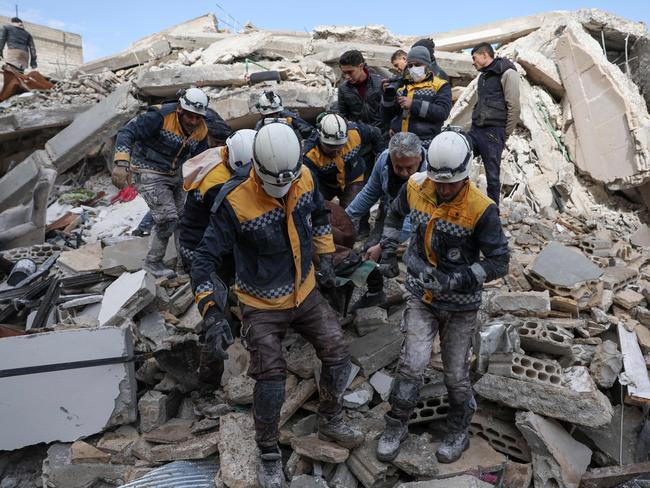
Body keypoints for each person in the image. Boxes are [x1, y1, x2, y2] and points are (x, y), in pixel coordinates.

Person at [191, 122, 363, 487]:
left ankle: (330, 417)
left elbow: (318, 216)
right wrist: (212, 312)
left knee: (337, 353)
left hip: (305, 292)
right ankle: (267, 450)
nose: (281, 189)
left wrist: (326, 258)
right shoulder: (232, 201)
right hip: (261, 303)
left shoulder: (303, 177)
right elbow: (203, 260)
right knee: (270, 377)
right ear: (255, 165)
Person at [376, 128, 509, 464]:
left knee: (455, 374)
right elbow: (393, 214)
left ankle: (458, 429)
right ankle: (396, 424)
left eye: (452, 183)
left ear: (466, 174)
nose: (445, 189)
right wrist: (389, 249)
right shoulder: (416, 186)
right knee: (412, 364)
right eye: (440, 183)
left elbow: (499, 262)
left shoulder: (481, 209)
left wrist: (457, 280)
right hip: (422, 294)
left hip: (461, 305)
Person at [112, 87, 209, 278]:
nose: (193, 121)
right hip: (148, 168)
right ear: (180, 109)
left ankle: (185, 264)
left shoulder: (201, 130)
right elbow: (127, 132)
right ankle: (153, 262)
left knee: (187, 218)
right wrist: (121, 163)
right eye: (190, 116)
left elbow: (200, 159)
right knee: (167, 218)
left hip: (176, 172)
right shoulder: (160, 117)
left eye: (198, 117)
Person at [133, 107, 233, 238]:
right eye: (215, 143)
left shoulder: (211, 125)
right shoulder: (198, 129)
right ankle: (144, 229)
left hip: (180, 167)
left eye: (221, 144)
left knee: (170, 205)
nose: (217, 146)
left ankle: (146, 228)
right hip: (167, 169)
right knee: (167, 205)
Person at [345, 132, 426, 287]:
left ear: (419, 158)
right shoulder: (384, 159)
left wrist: (383, 245)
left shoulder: (429, 173)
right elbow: (369, 193)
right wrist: (346, 217)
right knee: (369, 250)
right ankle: (377, 289)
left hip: (423, 223)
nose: (404, 173)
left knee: (412, 259)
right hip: (390, 211)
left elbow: (410, 220)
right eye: (398, 167)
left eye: (409, 168)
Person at [178, 129, 256, 271]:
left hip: (197, 239)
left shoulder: (225, 152)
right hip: (200, 250)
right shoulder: (218, 186)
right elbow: (239, 218)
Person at [468, 42, 520, 206]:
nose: (473, 62)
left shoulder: (507, 73)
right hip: (476, 131)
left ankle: (492, 214)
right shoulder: (482, 77)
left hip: (493, 132)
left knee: (492, 176)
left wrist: (504, 134)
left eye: (475, 58)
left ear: (484, 55)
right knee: (460, 157)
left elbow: (514, 107)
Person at [303, 113, 383, 208]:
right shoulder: (310, 155)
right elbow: (311, 185)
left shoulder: (355, 132)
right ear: (320, 138)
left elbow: (375, 133)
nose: (336, 151)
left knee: (355, 210)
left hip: (353, 177)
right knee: (316, 207)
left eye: (340, 146)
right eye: (330, 146)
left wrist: (380, 155)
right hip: (325, 183)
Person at [381, 46, 452, 148]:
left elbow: (442, 112)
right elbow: (387, 116)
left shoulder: (440, 85)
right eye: (410, 65)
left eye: (417, 64)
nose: (413, 68)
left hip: (424, 146)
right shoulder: (402, 86)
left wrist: (413, 104)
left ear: (427, 65)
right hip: (399, 146)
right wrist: (387, 96)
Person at [337, 49, 384, 129]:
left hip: (382, 134)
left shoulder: (380, 83)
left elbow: (390, 111)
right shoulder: (343, 89)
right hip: (358, 134)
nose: (347, 77)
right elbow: (342, 115)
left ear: (361, 66)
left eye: (350, 72)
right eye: (344, 73)